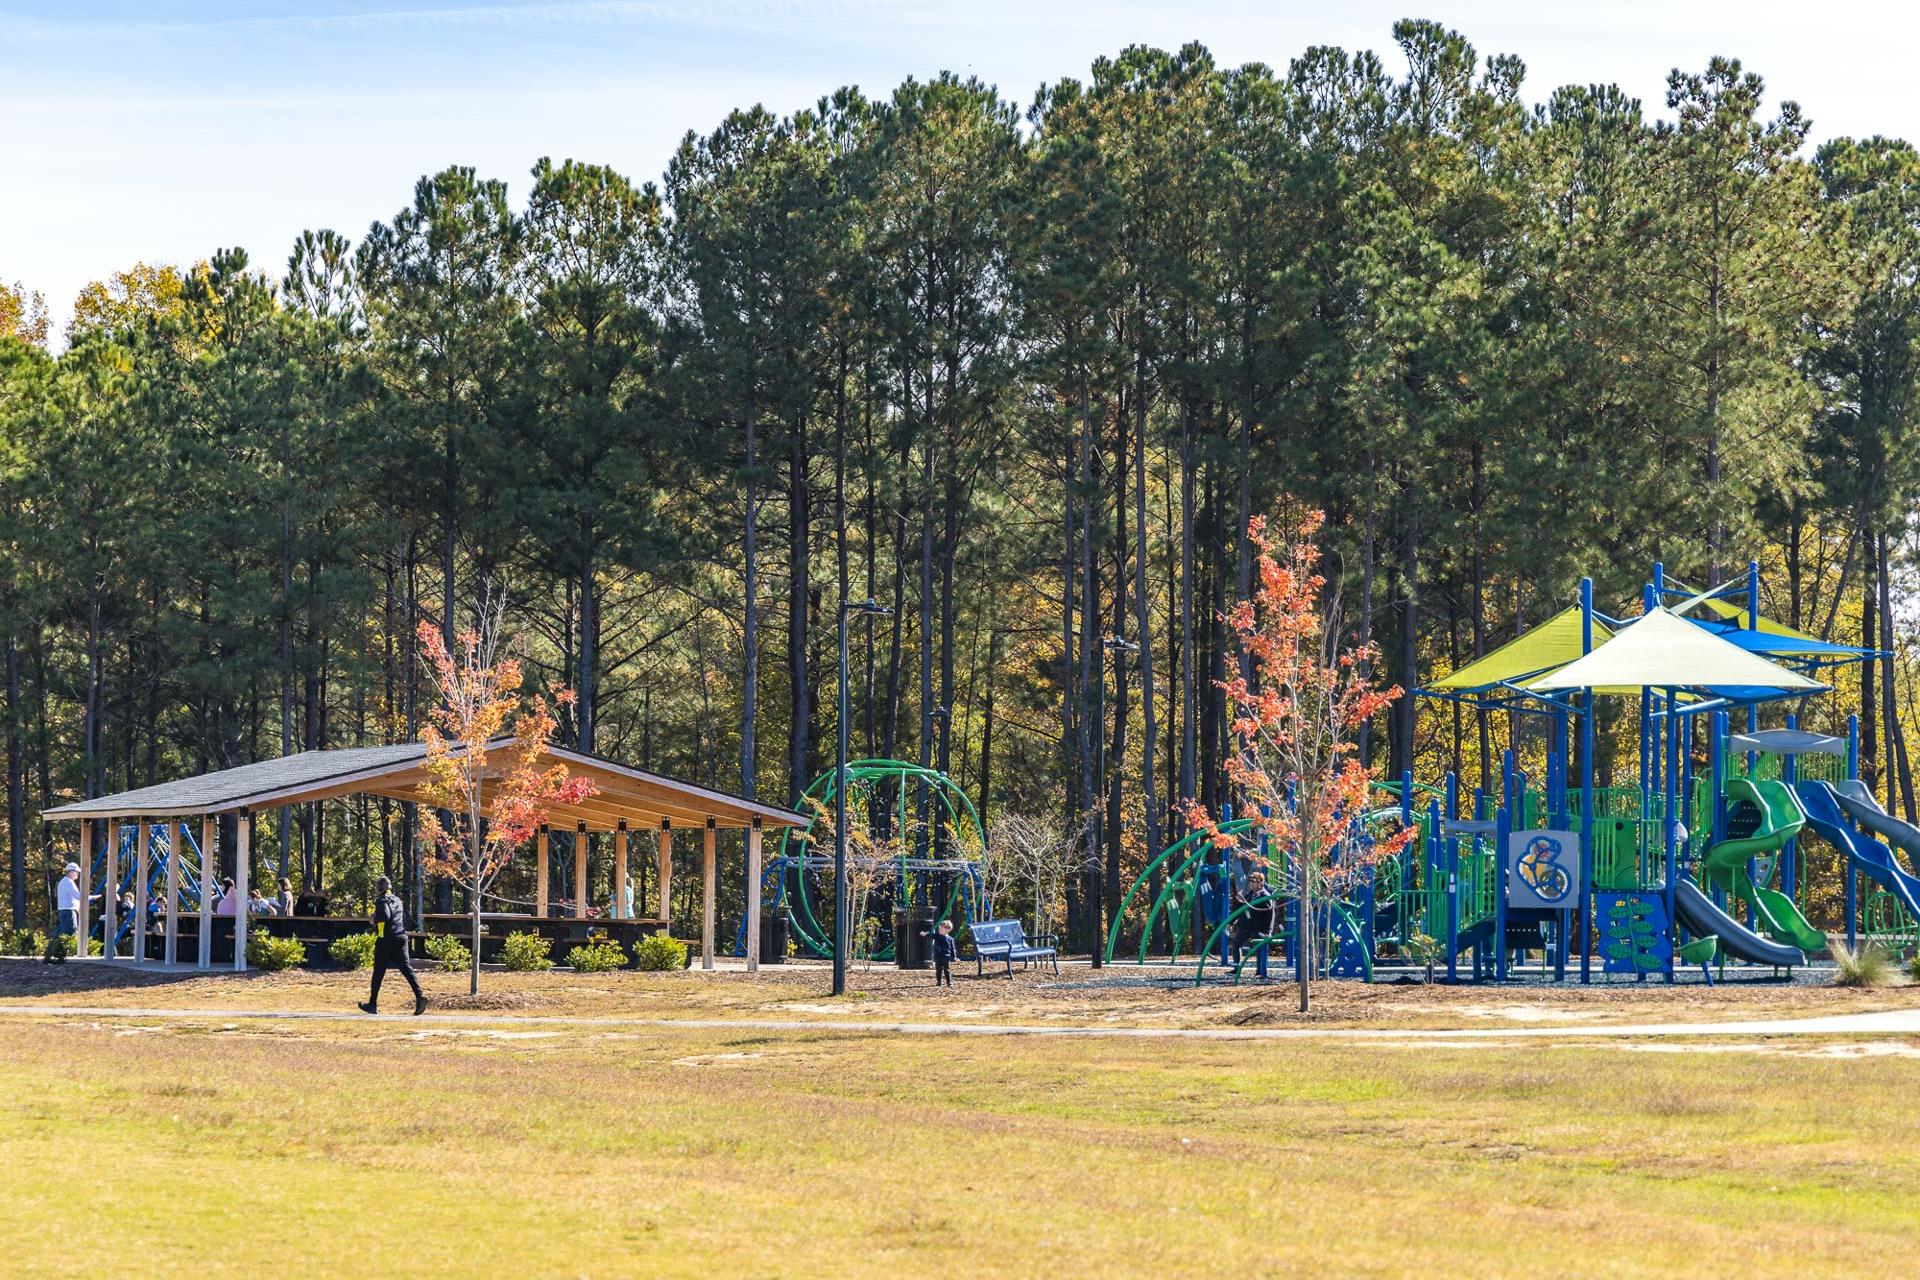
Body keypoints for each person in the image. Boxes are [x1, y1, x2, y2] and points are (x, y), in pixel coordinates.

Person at [360, 875, 426, 1016]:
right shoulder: (397, 900)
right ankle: (420, 996)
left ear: (380, 888)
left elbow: (385, 916)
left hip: (387, 940)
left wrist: (374, 920)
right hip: (401, 937)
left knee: (378, 972)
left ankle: (372, 1004)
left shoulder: (381, 901)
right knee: (406, 969)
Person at [1232, 868, 1280, 980]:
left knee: (1259, 947)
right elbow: (1241, 909)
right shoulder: (1249, 895)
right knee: (1236, 943)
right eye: (1251, 881)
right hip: (1247, 927)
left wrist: (1268, 931)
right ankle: (1236, 968)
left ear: (1261, 883)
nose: (1252, 884)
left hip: (1259, 928)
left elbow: (1269, 915)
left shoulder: (1265, 897)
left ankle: (1260, 971)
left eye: (1255, 881)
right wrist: (1232, 921)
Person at [45, 862, 84, 963]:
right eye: (76, 872)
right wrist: (93, 897)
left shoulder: (63, 881)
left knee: (60, 932)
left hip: (63, 910)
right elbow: (79, 896)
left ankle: (51, 953)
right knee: (69, 932)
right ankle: (61, 954)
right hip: (69, 911)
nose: (77, 874)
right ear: (71, 872)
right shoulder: (69, 882)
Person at [931, 918, 957, 987]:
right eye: (939, 929)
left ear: (947, 930)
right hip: (937, 956)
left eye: (941, 929)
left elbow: (952, 949)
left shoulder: (950, 939)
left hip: (946, 957)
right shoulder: (937, 936)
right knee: (938, 970)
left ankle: (949, 982)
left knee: (947, 970)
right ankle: (938, 982)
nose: (939, 930)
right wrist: (925, 934)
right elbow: (931, 935)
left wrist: (954, 957)